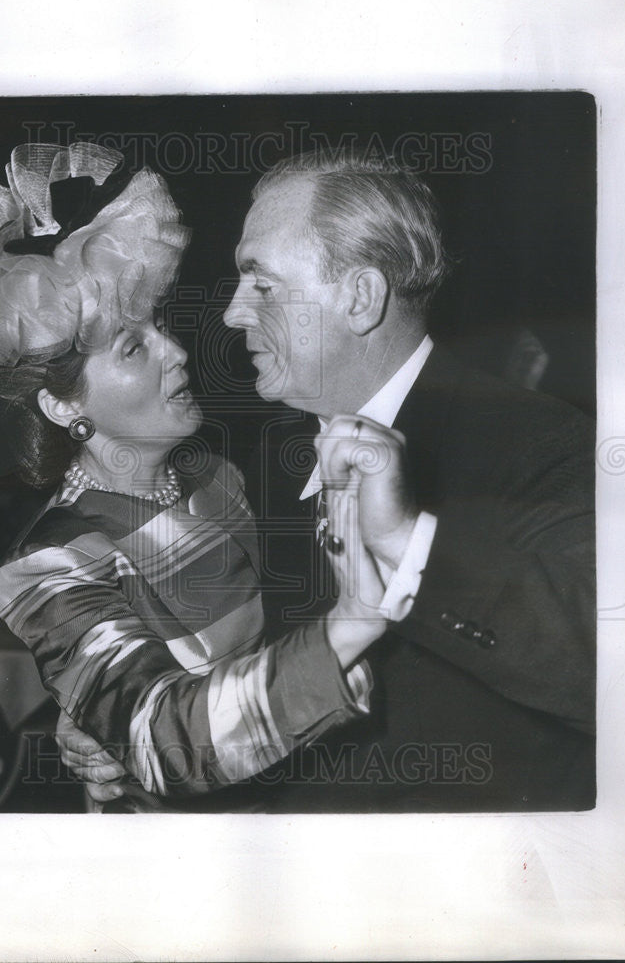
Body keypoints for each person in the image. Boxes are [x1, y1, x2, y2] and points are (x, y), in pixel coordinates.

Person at [62, 149, 596, 812]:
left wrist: (406, 541)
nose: (231, 313)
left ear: (360, 297)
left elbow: (610, 678)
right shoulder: (262, 462)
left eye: (261, 283)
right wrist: (115, 722)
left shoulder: (541, 443)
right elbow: (223, 662)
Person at [0, 141, 393, 812]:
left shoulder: (218, 479)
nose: (178, 352)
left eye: (158, 329)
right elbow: (161, 736)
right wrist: (112, 718)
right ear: (64, 403)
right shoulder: (50, 564)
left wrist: (89, 714)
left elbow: (279, 630)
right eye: (134, 347)